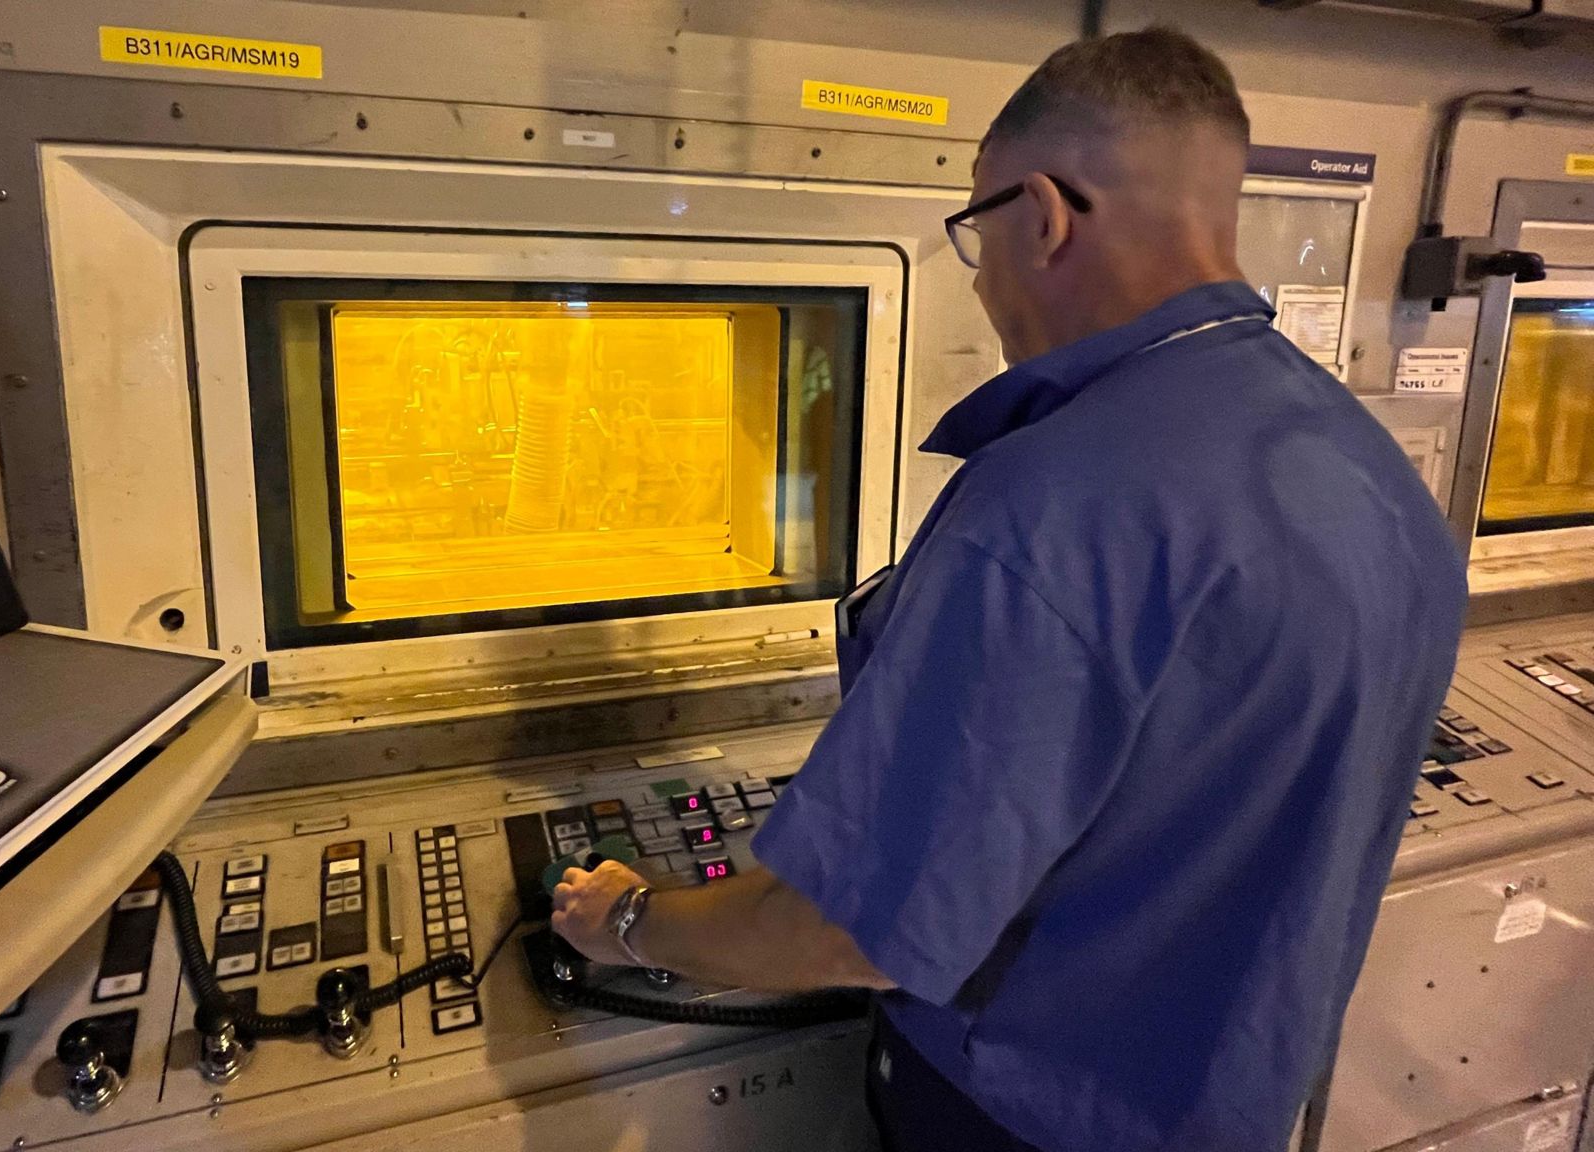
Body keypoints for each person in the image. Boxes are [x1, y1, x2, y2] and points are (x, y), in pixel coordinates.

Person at [549, 26, 1466, 1152]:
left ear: (1040, 216)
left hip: (1018, 1118)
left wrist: (630, 919)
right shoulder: (1363, 467)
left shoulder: (1052, 509)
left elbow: (847, 931)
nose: (981, 283)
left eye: (974, 235)